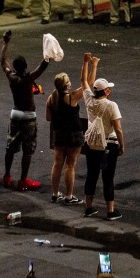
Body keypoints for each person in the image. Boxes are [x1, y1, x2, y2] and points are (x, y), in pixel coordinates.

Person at [1, 30, 50, 190]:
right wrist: (48, 52)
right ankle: (23, 180)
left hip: (15, 114)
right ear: (26, 67)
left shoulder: (11, 77)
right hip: (28, 116)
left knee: (11, 147)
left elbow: (3, 61)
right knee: (27, 150)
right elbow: (43, 66)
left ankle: (7, 176)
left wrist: (5, 42)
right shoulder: (29, 78)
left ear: (14, 67)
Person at [81, 53, 125, 221]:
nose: (110, 90)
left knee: (91, 175)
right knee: (108, 177)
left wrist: (87, 63)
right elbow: (118, 129)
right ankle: (110, 210)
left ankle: (89, 207)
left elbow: (84, 81)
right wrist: (122, 145)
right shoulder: (111, 105)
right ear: (106, 91)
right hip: (109, 145)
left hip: (92, 144)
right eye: (109, 88)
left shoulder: (89, 101)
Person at [46, 70, 86, 204]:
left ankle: (55, 193)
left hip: (59, 134)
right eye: (68, 81)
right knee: (70, 165)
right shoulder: (71, 97)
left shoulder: (51, 98)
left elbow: (48, 117)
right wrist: (91, 64)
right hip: (73, 135)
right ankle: (69, 196)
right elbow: (88, 84)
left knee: (57, 164)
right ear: (66, 85)